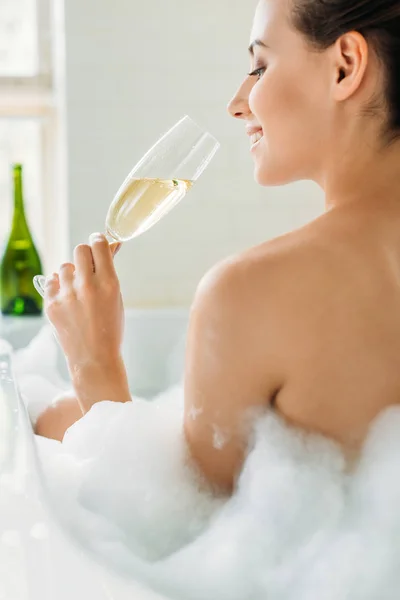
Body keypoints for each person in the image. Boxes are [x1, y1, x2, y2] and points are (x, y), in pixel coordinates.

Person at [36, 0, 400, 494]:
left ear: (345, 66)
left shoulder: (254, 291)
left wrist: (93, 364)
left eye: (260, 66)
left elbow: (177, 538)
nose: (237, 101)